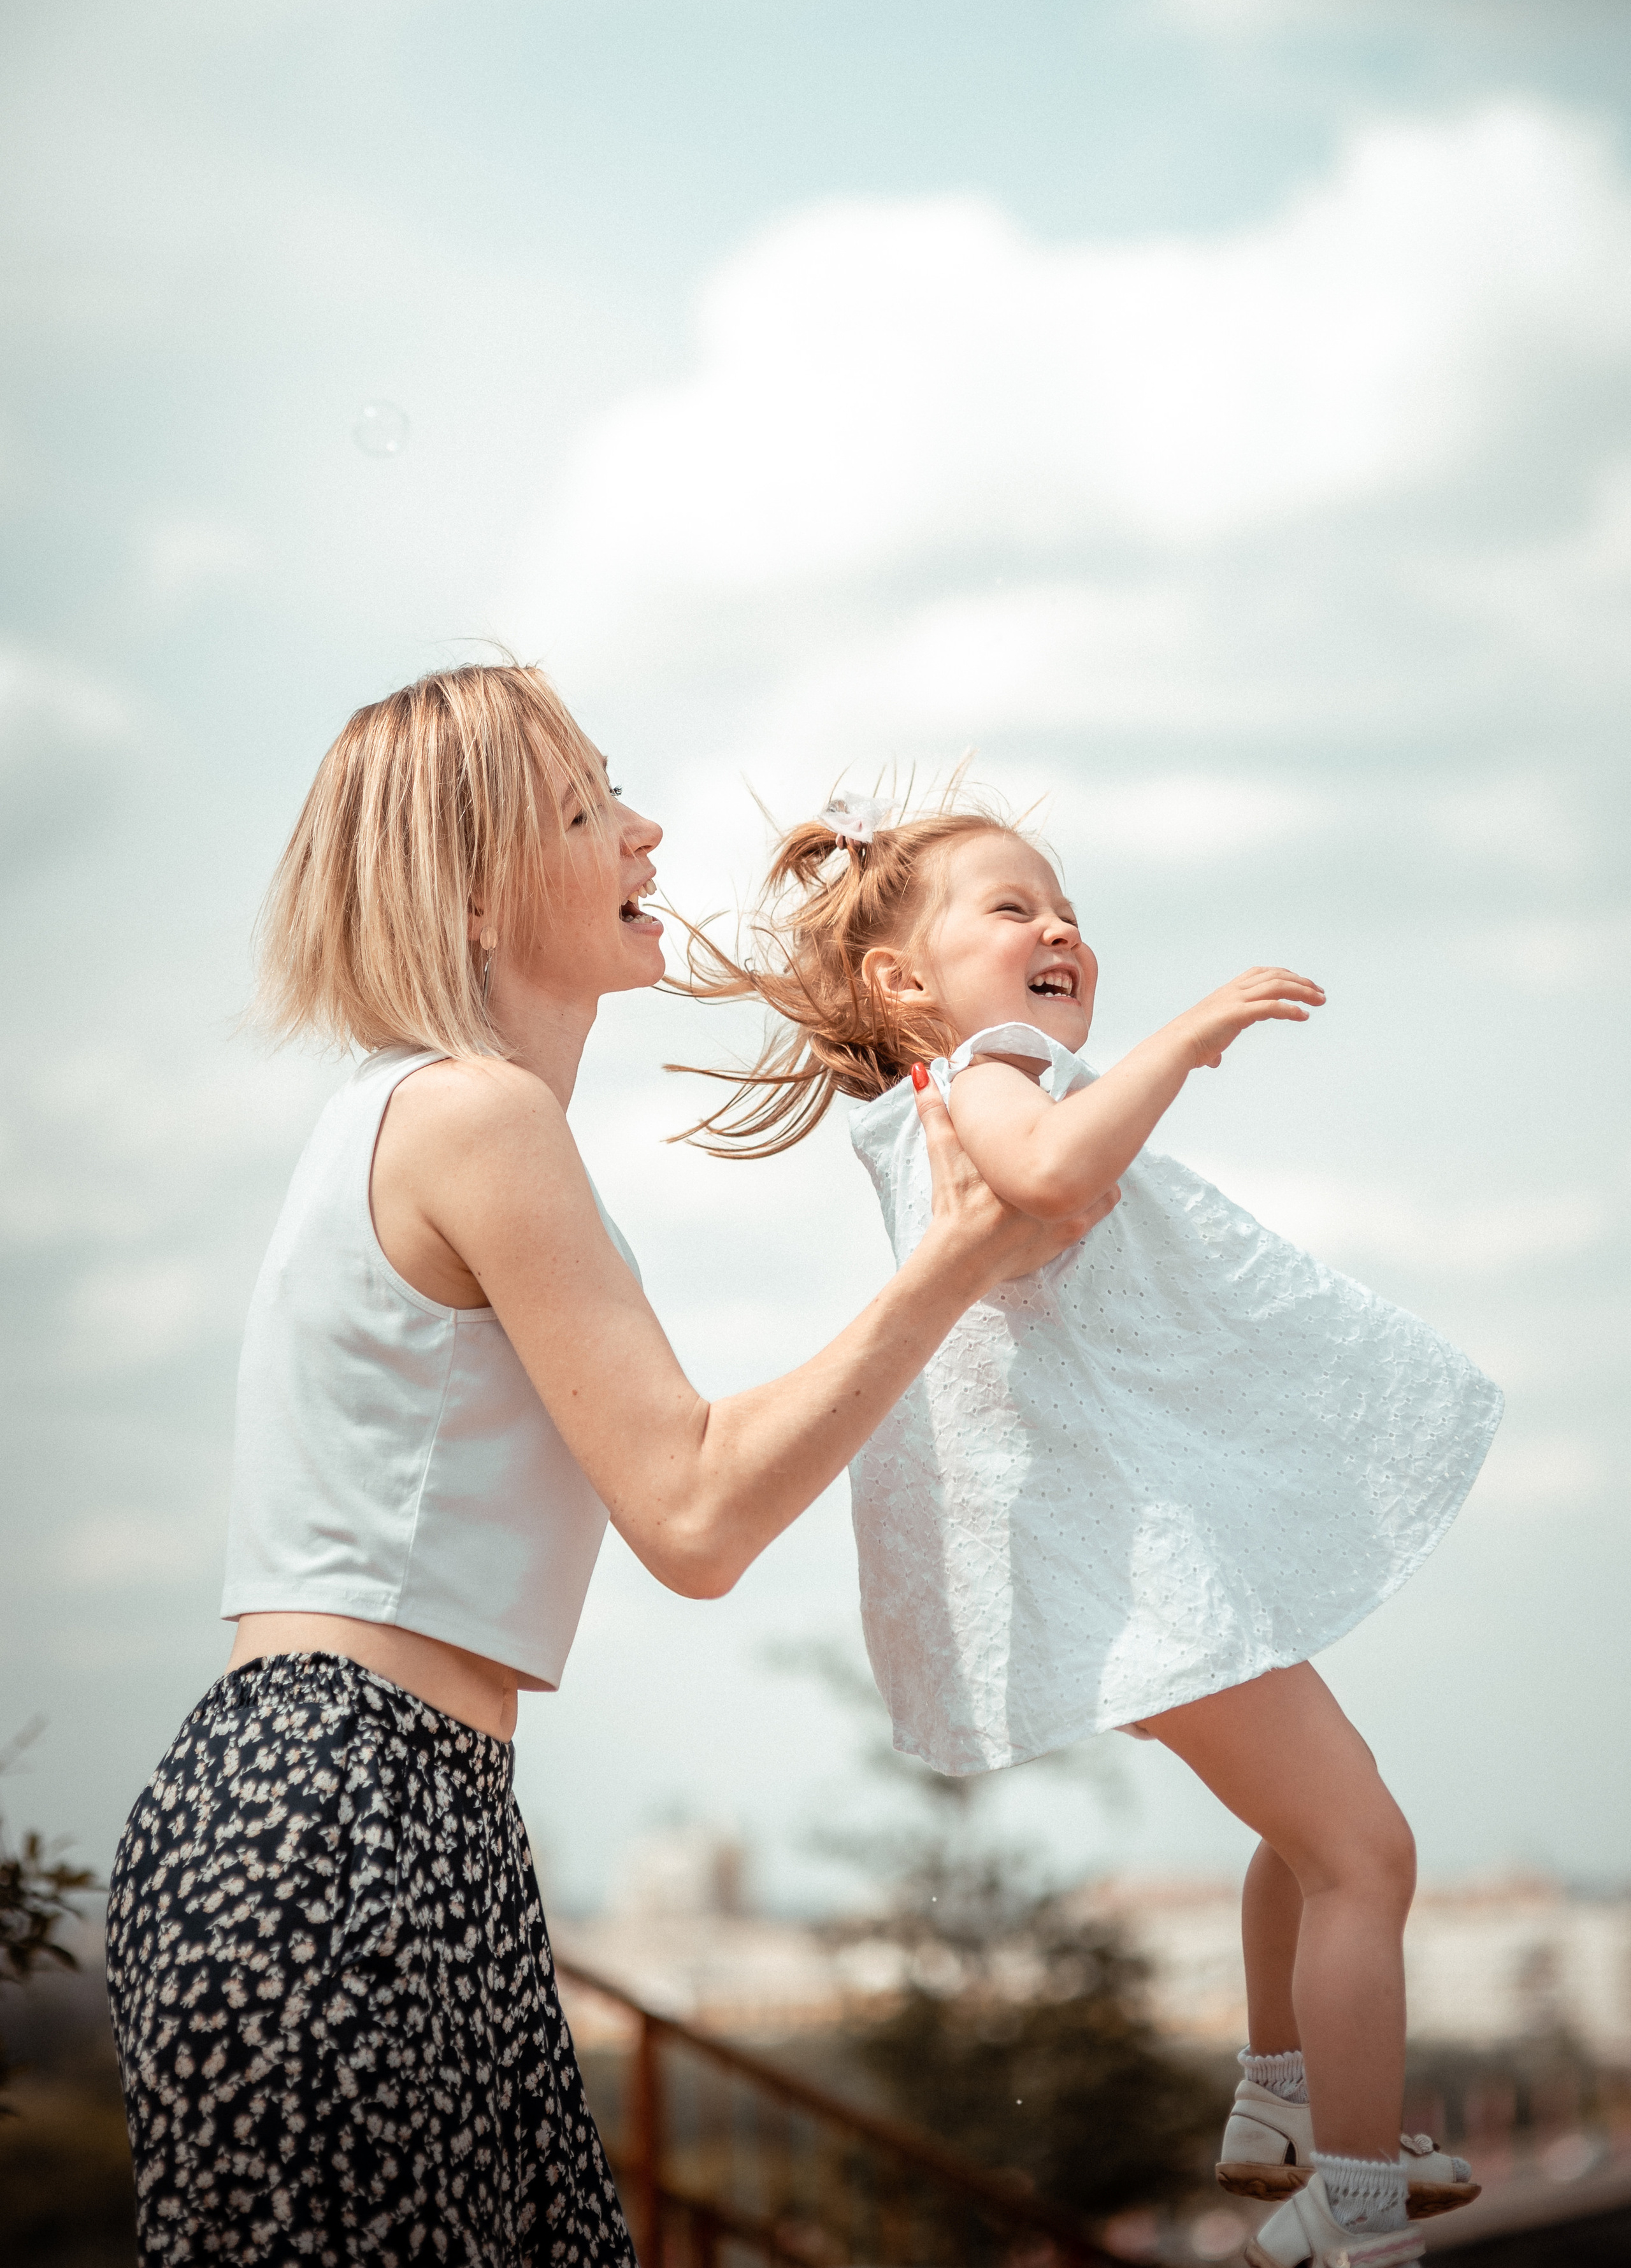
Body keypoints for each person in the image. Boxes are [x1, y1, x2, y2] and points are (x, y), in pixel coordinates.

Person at [101, 671, 1112, 2268]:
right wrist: (955, 1256)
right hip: (341, 1816)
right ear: (476, 893)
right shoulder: (473, 1114)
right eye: (586, 810)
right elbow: (693, 1514)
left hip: (385, 1806)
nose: (643, 831)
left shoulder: (423, 1113)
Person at [673, 788, 1504, 2268]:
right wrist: (1184, 1039)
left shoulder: (952, 1095)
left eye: (1066, 908)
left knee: (1315, 1832)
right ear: (904, 985)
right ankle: (1356, 2205)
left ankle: (1280, 2104)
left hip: (1116, 1551)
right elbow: (1056, 1177)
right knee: (1363, 1856)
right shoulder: (990, 1075)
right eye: (1012, 908)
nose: (1057, 927)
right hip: (1122, 1557)